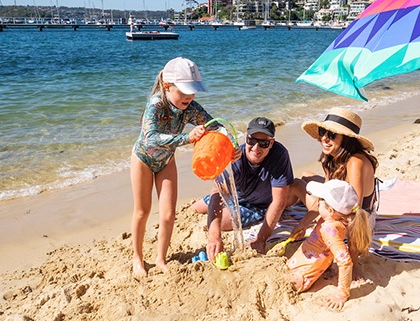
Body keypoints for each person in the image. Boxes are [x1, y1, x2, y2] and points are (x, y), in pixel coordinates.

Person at [131, 57, 216, 279]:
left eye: (193, 91)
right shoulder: (156, 104)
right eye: (185, 91)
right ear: (168, 86)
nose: (190, 96)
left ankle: (160, 258)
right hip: (143, 159)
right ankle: (137, 258)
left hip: (166, 160)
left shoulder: (190, 108)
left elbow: (214, 126)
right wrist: (187, 137)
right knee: (143, 211)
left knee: (168, 214)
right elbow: (150, 139)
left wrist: (230, 145)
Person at [191, 117, 301, 259]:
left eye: (263, 143)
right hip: (236, 195)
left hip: (258, 205)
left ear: (271, 143)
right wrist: (214, 236)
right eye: (252, 140)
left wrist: (261, 239)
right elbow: (218, 193)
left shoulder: (279, 155)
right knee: (195, 209)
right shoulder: (235, 156)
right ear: (246, 138)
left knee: (223, 222)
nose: (256, 148)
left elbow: (279, 201)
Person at [289, 107, 379, 265]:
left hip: (359, 215)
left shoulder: (355, 163)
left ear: (346, 139)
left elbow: (354, 213)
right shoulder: (330, 159)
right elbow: (323, 198)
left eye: (331, 135)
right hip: (337, 205)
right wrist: (302, 224)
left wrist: (354, 263)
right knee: (303, 177)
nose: (324, 138)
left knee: (326, 225)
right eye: (323, 132)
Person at [287, 179, 372, 310]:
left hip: (302, 275)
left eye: (320, 201)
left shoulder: (330, 229)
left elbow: (345, 262)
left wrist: (342, 293)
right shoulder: (336, 220)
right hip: (302, 266)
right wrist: (304, 226)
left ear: (331, 210)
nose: (317, 203)